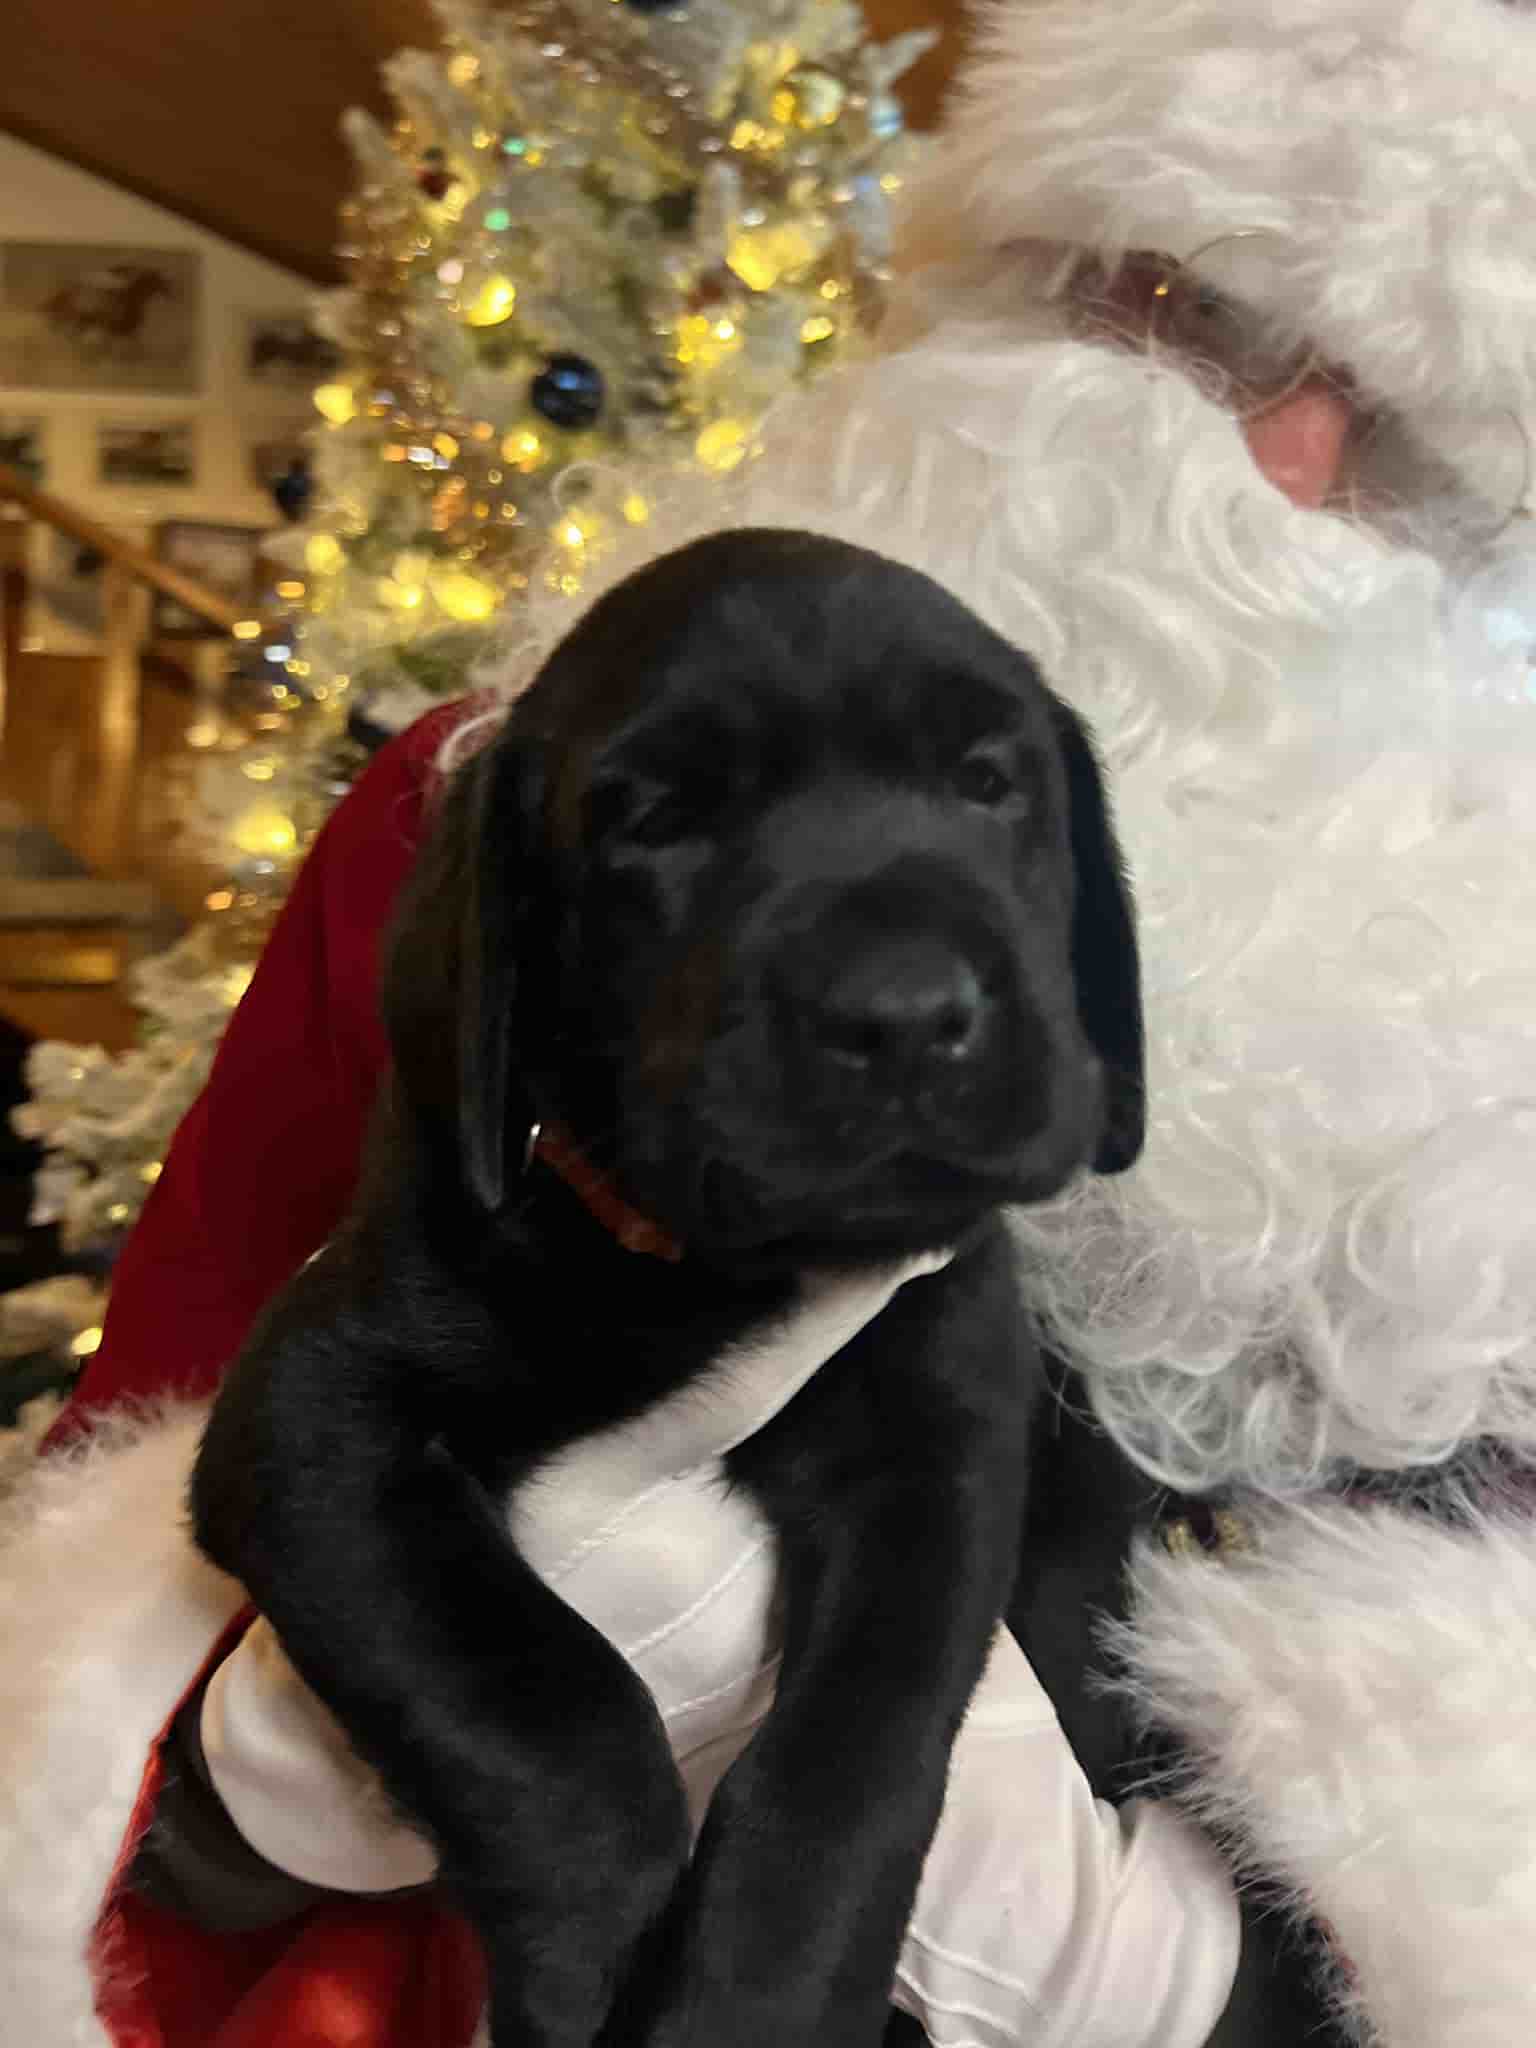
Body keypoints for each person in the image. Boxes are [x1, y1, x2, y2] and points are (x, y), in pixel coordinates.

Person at [12, 0, 1536, 2042]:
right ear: (993, 304)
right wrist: (309, 1730)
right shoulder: (496, 811)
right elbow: (153, 1490)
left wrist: (1150, 1972)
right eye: (1197, 319)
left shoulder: (1492, 1018)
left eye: (1415, 437)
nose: (1290, 459)